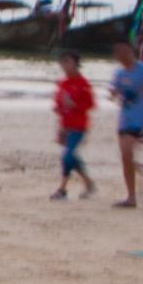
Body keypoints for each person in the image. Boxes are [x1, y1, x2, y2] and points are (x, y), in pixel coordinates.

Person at [108, 40, 143, 208]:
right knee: (125, 155)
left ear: (131, 51)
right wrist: (113, 93)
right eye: (118, 52)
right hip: (125, 119)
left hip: (141, 119)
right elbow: (113, 92)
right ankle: (131, 196)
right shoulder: (119, 73)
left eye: (124, 51)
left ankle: (134, 192)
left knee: (128, 152)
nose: (121, 55)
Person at [50, 50, 95, 200]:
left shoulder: (83, 84)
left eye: (67, 62)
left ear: (75, 63)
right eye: (62, 62)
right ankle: (88, 183)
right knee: (71, 157)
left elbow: (90, 104)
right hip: (66, 125)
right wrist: (59, 112)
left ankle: (62, 189)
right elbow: (58, 104)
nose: (64, 65)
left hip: (79, 126)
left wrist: (74, 104)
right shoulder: (63, 83)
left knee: (67, 156)